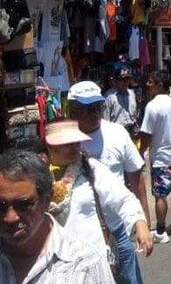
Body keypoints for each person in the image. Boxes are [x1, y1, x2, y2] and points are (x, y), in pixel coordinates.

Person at [67, 80, 151, 284]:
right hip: (80, 234)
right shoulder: (64, 141)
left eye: (98, 107)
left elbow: (136, 177)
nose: (95, 114)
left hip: (117, 227)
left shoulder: (117, 133)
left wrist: (144, 220)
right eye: (88, 109)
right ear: (72, 110)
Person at [44, 120, 153, 262]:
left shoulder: (90, 167)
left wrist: (140, 222)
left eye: (76, 142)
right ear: (50, 146)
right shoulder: (35, 176)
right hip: (54, 260)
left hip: (92, 257)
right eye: (67, 144)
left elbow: (122, 197)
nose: (74, 148)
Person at [0, 150, 115, 283]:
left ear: (46, 200)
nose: (10, 217)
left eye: (23, 205)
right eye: (1, 206)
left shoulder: (86, 264)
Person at [139, 70, 171, 244]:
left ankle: (160, 231)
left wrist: (140, 152)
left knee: (160, 196)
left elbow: (146, 134)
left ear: (159, 84)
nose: (147, 85)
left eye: (150, 82)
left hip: (161, 158)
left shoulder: (152, 106)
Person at [103, 67, 140, 142]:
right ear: (115, 80)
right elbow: (105, 121)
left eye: (127, 80)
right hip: (117, 135)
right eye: (122, 80)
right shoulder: (109, 97)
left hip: (131, 132)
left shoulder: (131, 94)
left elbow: (134, 114)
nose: (125, 82)